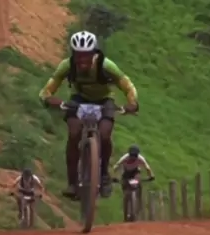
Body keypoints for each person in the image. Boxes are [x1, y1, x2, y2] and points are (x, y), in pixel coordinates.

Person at [39, 30, 139, 200]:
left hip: (104, 100)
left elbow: (127, 86)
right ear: (73, 55)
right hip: (78, 99)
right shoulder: (67, 66)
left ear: (94, 54)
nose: (82, 60)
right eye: (78, 56)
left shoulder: (106, 66)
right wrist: (49, 99)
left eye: (86, 55)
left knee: (105, 134)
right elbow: (47, 89)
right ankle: (72, 182)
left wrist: (132, 103)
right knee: (74, 133)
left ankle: (104, 175)